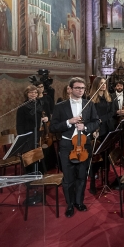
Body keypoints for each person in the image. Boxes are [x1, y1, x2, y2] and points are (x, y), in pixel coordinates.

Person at [49, 77, 100, 217]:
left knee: (82, 177)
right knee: (68, 178)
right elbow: (53, 128)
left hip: (84, 145)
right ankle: (70, 204)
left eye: (82, 88)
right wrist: (68, 122)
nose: (80, 90)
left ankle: (79, 202)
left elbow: (96, 121)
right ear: (70, 89)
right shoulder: (60, 106)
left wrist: (86, 127)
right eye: (77, 88)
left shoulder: (89, 104)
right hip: (67, 146)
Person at [87, 77, 114, 194]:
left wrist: (102, 119)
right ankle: (93, 182)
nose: (104, 85)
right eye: (101, 83)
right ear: (96, 85)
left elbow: (113, 112)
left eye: (105, 83)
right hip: (97, 130)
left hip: (108, 129)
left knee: (107, 156)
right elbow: (90, 117)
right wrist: (95, 126)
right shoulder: (91, 99)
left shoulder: (108, 97)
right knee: (96, 158)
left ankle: (106, 180)